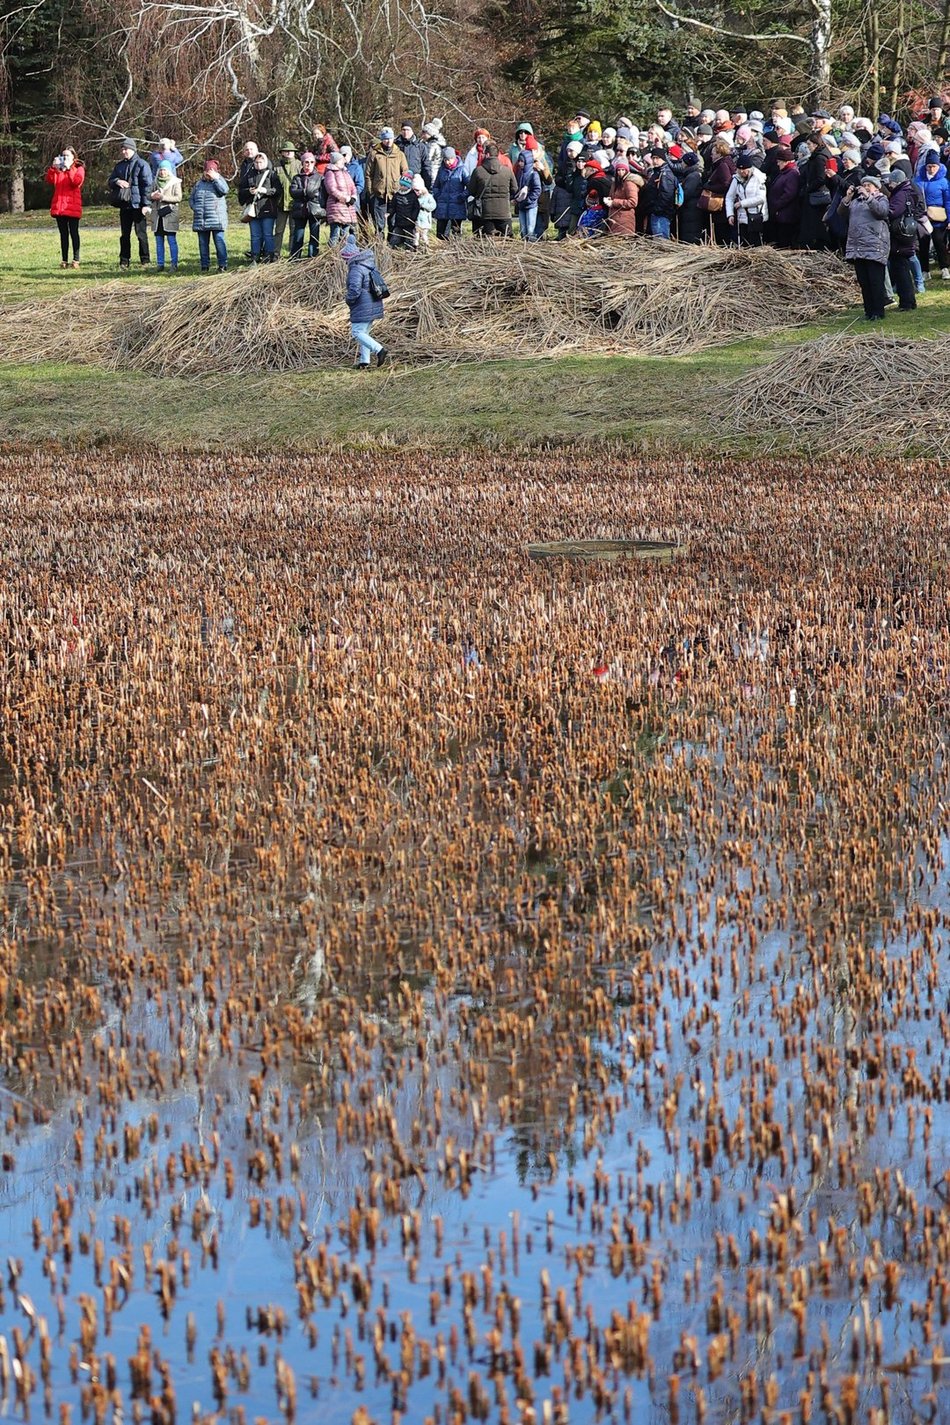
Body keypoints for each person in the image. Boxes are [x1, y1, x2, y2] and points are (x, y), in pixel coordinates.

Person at [843, 173, 890, 319]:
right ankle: (868, 311)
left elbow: (882, 212)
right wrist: (847, 198)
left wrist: (869, 198)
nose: (865, 187)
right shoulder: (856, 202)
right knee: (864, 282)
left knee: (875, 281)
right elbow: (841, 213)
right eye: (863, 185)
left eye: (868, 185)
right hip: (857, 247)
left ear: (876, 188)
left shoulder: (881, 199)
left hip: (874, 245)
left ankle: (878, 312)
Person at [342, 235, 387, 370]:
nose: (345, 262)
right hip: (373, 302)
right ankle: (364, 361)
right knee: (364, 333)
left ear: (349, 257)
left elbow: (354, 290)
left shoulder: (355, 269)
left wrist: (349, 300)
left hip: (362, 305)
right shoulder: (367, 264)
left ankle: (379, 350)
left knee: (357, 332)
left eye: (345, 259)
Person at [107, 138, 153, 270]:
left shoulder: (142, 164)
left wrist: (146, 204)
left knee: (141, 234)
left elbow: (147, 186)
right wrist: (117, 181)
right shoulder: (119, 165)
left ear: (133, 149)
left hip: (138, 206)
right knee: (124, 235)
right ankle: (124, 260)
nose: (123, 151)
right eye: (122, 149)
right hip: (125, 205)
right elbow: (110, 181)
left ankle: (145, 260)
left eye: (126, 149)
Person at [885, 169, 921, 309]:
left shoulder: (900, 194)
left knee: (901, 270)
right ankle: (909, 301)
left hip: (899, 237)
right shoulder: (908, 191)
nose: (889, 185)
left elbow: (893, 212)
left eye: (891, 182)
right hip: (906, 234)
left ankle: (906, 302)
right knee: (903, 268)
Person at [45, 146, 84, 269]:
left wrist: (69, 168)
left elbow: (76, 182)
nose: (65, 157)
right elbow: (50, 180)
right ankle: (64, 260)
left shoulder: (78, 168)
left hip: (72, 205)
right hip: (60, 206)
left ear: (73, 157)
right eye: (63, 155)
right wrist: (53, 168)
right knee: (63, 234)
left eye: (67, 155)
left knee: (74, 233)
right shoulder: (59, 170)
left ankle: (76, 259)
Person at [467, 142, 517, 237]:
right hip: (504, 212)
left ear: (487, 155)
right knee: (507, 241)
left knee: (485, 240)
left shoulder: (478, 171)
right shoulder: (507, 171)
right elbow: (515, 189)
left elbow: (471, 191)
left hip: (484, 213)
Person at [366, 128, 409, 237]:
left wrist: (402, 191)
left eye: (390, 138)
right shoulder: (374, 154)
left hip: (394, 194)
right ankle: (379, 244)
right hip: (379, 194)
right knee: (379, 224)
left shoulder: (399, 154)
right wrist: (371, 192)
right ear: (382, 139)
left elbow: (405, 173)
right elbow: (368, 174)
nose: (388, 141)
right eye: (385, 139)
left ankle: (392, 244)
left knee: (393, 223)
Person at [188, 159, 229, 273]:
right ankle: (204, 266)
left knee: (219, 242)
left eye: (211, 170)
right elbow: (191, 198)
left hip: (217, 219)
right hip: (201, 219)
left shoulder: (219, 180)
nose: (209, 172)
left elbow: (224, 191)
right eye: (207, 170)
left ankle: (222, 265)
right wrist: (195, 207)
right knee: (203, 244)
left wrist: (215, 179)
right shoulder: (198, 184)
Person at [917, 150, 950, 279]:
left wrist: (949, 219)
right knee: (923, 244)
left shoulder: (944, 182)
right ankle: (925, 270)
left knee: (939, 243)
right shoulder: (918, 180)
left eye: (934, 166)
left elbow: (948, 201)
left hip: (938, 217)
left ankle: (944, 268)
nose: (931, 169)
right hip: (923, 217)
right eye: (929, 166)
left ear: (938, 166)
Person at [725, 150, 768, 245]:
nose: (741, 171)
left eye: (744, 169)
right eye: (739, 169)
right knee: (744, 243)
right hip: (742, 218)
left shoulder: (758, 178)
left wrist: (742, 203)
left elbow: (761, 198)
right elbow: (729, 197)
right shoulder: (736, 179)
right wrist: (730, 214)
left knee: (755, 243)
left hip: (756, 217)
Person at [288, 151, 324, 258]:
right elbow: (293, 192)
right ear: (302, 163)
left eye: (311, 162)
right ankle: (295, 257)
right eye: (306, 162)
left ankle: (312, 257)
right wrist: (305, 192)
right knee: (298, 235)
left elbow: (321, 194)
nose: (309, 164)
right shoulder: (297, 177)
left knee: (314, 235)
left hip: (315, 209)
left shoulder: (319, 177)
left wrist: (313, 195)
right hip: (300, 209)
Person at [245, 151, 278, 262]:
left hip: (268, 208)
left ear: (266, 162)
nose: (258, 164)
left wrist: (265, 191)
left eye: (261, 162)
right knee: (255, 235)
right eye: (256, 162)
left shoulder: (271, 174)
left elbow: (277, 190)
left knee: (268, 234)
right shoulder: (249, 175)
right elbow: (241, 191)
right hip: (254, 209)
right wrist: (249, 191)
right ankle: (255, 256)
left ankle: (268, 255)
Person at [149, 162, 182, 272]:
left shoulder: (175, 182)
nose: (162, 172)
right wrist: (152, 196)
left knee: (171, 241)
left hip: (170, 214)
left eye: (165, 170)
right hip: (157, 216)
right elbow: (148, 195)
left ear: (169, 171)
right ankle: (160, 264)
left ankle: (174, 264)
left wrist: (163, 197)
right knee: (159, 242)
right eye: (161, 170)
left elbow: (178, 198)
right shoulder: (155, 182)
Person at [323, 150, 360, 247]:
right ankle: (333, 253)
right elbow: (331, 189)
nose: (343, 161)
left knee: (345, 235)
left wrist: (353, 196)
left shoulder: (345, 172)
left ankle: (344, 253)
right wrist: (346, 198)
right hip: (336, 207)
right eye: (341, 160)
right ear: (336, 161)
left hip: (347, 208)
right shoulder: (330, 173)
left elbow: (353, 187)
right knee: (335, 234)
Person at [769, 146, 801, 247]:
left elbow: (789, 194)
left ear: (786, 162)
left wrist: (777, 205)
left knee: (785, 241)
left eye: (779, 162)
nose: (778, 164)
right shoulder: (785, 173)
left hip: (787, 215)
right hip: (782, 214)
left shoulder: (792, 174)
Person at [643, 147, 678, 237]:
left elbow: (666, 195)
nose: (654, 161)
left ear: (663, 159)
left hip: (661, 214)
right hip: (656, 212)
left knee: (660, 240)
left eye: (657, 158)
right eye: (653, 158)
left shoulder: (665, 174)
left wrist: (656, 210)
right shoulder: (657, 172)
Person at [433, 147, 467, 238]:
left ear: (454, 158)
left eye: (450, 159)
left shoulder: (462, 169)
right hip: (442, 205)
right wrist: (438, 195)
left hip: (457, 206)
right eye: (445, 160)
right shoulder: (441, 170)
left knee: (456, 232)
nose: (448, 162)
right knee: (440, 234)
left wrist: (462, 196)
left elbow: (470, 186)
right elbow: (436, 186)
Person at [273, 142, 301, 256]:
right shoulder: (276, 167)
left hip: (295, 204)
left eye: (291, 150)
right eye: (286, 150)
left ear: (294, 152)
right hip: (280, 204)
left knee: (294, 231)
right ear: (282, 152)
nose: (289, 152)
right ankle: (276, 254)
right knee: (278, 231)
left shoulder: (299, 165)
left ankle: (293, 254)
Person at [675, 150, 704, 243]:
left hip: (691, 210)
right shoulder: (691, 175)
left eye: (683, 162)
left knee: (691, 234)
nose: (681, 164)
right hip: (690, 209)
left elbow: (687, 193)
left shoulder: (693, 176)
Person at [389, 173, 420, 248]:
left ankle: (410, 249)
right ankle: (392, 248)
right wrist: (389, 213)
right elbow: (393, 206)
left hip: (409, 222)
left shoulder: (413, 195)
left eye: (404, 185)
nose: (402, 187)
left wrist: (413, 217)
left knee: (409, 238)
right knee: (395, 237)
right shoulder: (397, 195)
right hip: (399, 221)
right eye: (401, 185)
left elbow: (416, 207)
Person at [412, 174, 436, 248]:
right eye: (414, 190)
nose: (416, 192)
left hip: (425, 221)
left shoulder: (428, 197)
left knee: (424, 235)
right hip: (416, 220)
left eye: (417, 190)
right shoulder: (413, 197)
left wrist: (423, 206)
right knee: (416, 234)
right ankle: (415, 246)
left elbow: (433, 206)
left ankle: (426, 245)